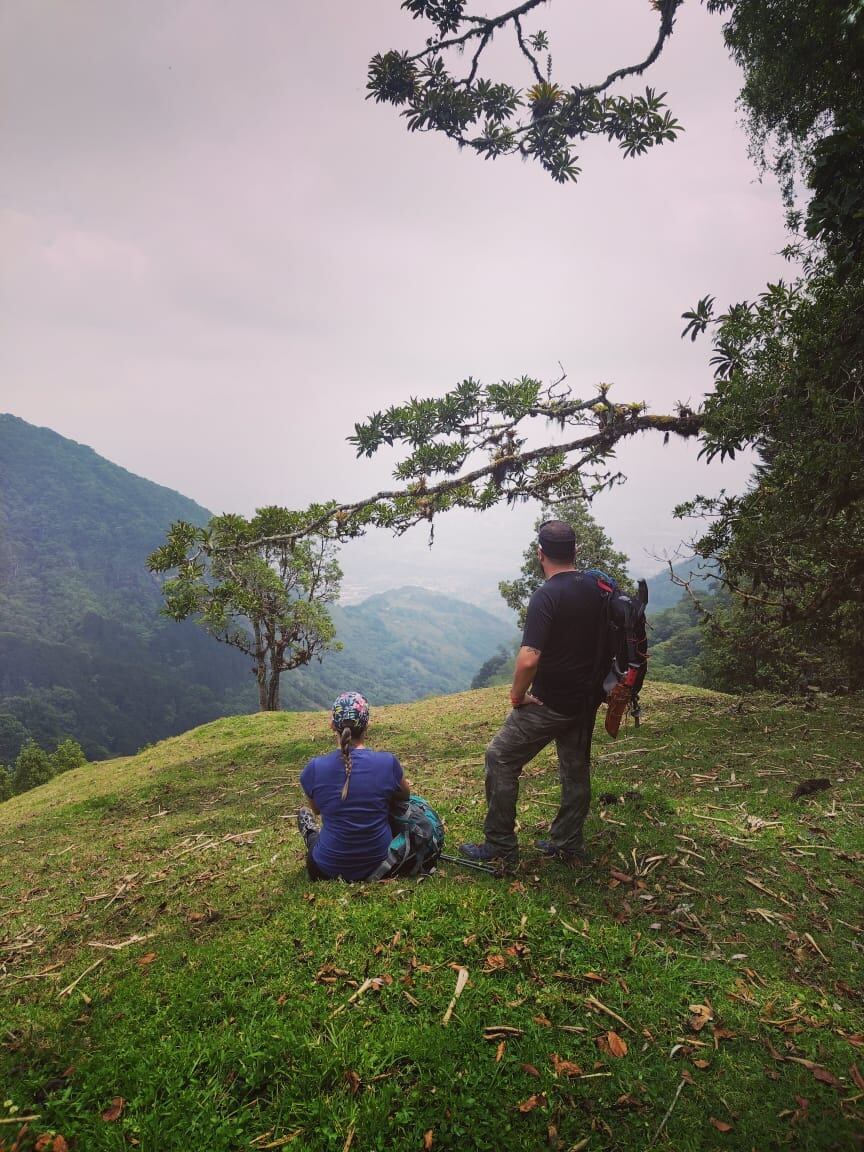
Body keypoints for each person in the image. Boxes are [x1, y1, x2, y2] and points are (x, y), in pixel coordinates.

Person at [460, 519, 606, 867]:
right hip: (584, 701)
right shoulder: (597, 587)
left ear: (540, 554)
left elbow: (528, 660)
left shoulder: (547, 595)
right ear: (576, 551)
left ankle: (500, 846)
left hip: (550, 702)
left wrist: (516, 697)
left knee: (500, 757)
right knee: (575, 770)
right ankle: (568, 842)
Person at [296, 691, 411, 881]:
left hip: (325, 869)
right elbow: (405, 796)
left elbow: (316, 810)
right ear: (367, 725)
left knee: (314, 835)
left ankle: (309, 832)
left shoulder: (314, 768)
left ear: (332, 725)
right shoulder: (387, 763)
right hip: (383, 864)